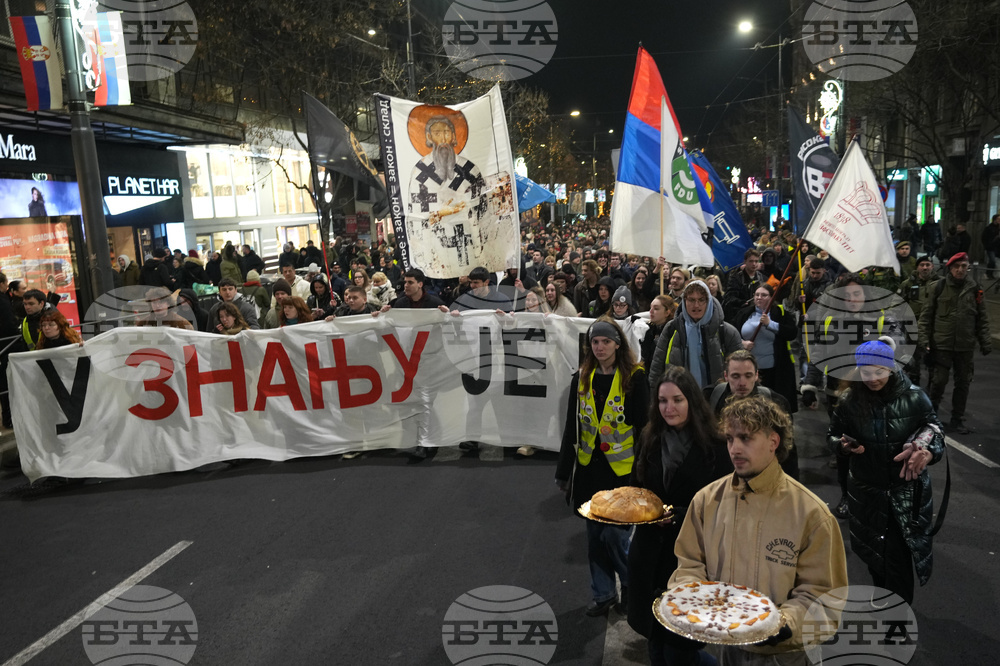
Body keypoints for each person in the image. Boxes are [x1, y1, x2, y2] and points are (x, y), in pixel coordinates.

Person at [667, 396, 849, 666]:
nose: (734, 449)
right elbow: (690, 564)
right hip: (729, 650)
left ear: (773, 442)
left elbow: (823, 595)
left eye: (746, 438)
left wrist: (782, 624)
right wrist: (688, 601)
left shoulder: (811, 514)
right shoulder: (706, 500)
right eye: (729, 438)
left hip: (787, 656)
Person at [828, 340, 945, 604]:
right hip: (866, 493)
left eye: (878, 371)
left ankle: (898, 618)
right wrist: (843, 446)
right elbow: (832, 435)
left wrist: (926, 450)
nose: (872, 379)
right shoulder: (849, 400)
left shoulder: (915, 396)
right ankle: (883, 601)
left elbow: (935, 429)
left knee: (898, 560)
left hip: (905, 495)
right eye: (865, 372)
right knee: (873, 556)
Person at [627, 367, 732, 657]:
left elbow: (723, 506)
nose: (668, 408)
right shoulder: (650, 437)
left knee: (681, 645)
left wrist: (679, 514)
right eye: (662, 401)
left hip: (689, 559)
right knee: (655, 642)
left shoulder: (716, 446)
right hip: (649, 555)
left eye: (677, 400)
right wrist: (634, 509)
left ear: (693, 402)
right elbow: (637, 487)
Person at [555, 320, 649, 617]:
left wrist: (645, 473)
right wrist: (563, 470)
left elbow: (644, 428)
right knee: (595, 538)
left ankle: (634, 587)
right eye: (595, 343)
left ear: (618, 344)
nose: (600, 348)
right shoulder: (582, 377)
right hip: (588, 469)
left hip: (622, 472)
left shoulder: (635, 378)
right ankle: (604, 593)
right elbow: (573, 427)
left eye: (606, 342)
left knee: (614, 536)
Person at [918, 252, 992, 434]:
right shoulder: (939, 287)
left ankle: (957, 419)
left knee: (963, 383)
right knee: (938, 381)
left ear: (968, 268)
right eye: (956, 266)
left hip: (965, 346)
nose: (960, 270)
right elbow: (926, 317)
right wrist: (924, 340)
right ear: (950, 268)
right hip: (941, 344)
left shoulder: (975, 289)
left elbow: (981, 318)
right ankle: (931, 416)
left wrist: (985, 341)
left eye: (963, 266)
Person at [704, 350, 798, 480]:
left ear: (756, 375)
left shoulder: (775, 403)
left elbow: (788, 452)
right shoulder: (711, 397)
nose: (742, 383)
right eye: (736, 376)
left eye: (748, 376)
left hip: (762, 479)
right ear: (726, 376)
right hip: (720, 478)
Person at [648, 280, 742, 390]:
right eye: (691, 300)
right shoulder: (672, 329)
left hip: (716, 398)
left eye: (701, 300)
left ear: (709, 301)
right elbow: (657, 368)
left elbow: (740, 370)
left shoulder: (727, 332)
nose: (696, 305)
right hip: (680, 396)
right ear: (684, 301)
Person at [735, 284, 798, 414]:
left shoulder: (780, 313)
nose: (759, 297)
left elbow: (792, 333)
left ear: (771, 297)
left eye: (764, 295)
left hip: (774, 370)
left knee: (772, 406)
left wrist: (771, 324)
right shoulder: (745, 312)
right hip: (749, 369)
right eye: (757, 295)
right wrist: (742, 343)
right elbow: (731, 334)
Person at [897, 255, 936, 384]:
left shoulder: (939, 284)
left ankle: (932, 385)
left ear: (932, 266)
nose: (925, 268)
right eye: (922, 265)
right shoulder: (908, 284)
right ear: (917, 267)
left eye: (927, 265)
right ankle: (914, 383)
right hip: (912, 325)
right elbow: (898, 303)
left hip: (933, 326)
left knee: (933, 359)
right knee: (913, 358)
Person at [723, 248, 764, 324]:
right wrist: (742, 302)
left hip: (754, 313)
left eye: (756, 261)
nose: (754, 264)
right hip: (738, 314)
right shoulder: (736, 277)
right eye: (751, 261)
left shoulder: (760, 277)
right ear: (745, 261)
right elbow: (730, 296)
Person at [640, 295, 676, 370]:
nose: (651, 311)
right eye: (651, 307)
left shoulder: (672, 332)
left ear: (667, 312)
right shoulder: (649, 330)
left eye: (656, 308)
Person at [982, 213, 1000, 279]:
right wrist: (987, 245)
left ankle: (992, 274)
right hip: (991, 247)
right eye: (998, 219)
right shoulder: (989, 228)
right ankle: (988, 273)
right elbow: (984, 238)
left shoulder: (998, 228)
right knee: (992, 260)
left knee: (994, 261)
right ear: (995, 220)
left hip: (997, 247)